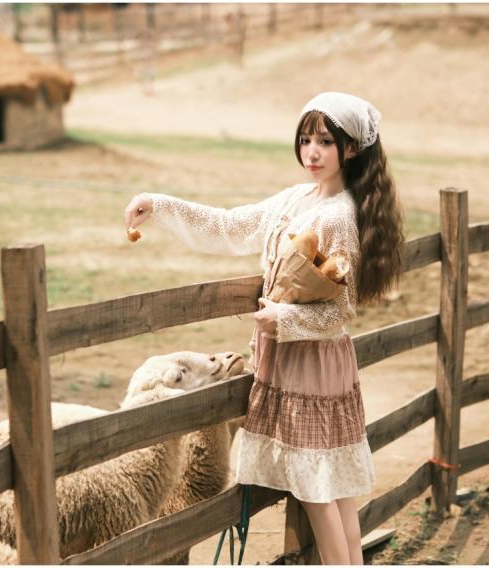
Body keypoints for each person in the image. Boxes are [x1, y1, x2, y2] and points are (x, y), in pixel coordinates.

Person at [123, 92, 405, 565]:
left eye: (325, 142)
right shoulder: (298, 199)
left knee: (320, 488)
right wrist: (160, 205)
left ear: (351, 149)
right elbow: (233, 225)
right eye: (305, 140)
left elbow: (341, 309)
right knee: (330, 484)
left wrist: (282, 318)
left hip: (312, 362)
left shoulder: (339, 215)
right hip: (294, 359)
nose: (311, 152)